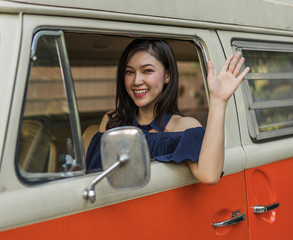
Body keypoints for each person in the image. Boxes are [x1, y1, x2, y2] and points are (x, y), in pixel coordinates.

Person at [86, 38, 250, 184]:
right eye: (129, 72)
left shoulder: (184, 126)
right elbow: (94, 175)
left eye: (147, 71)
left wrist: (218, 101)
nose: (136, 81)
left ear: (167, 76)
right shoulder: (112, 119)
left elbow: (209, 175)